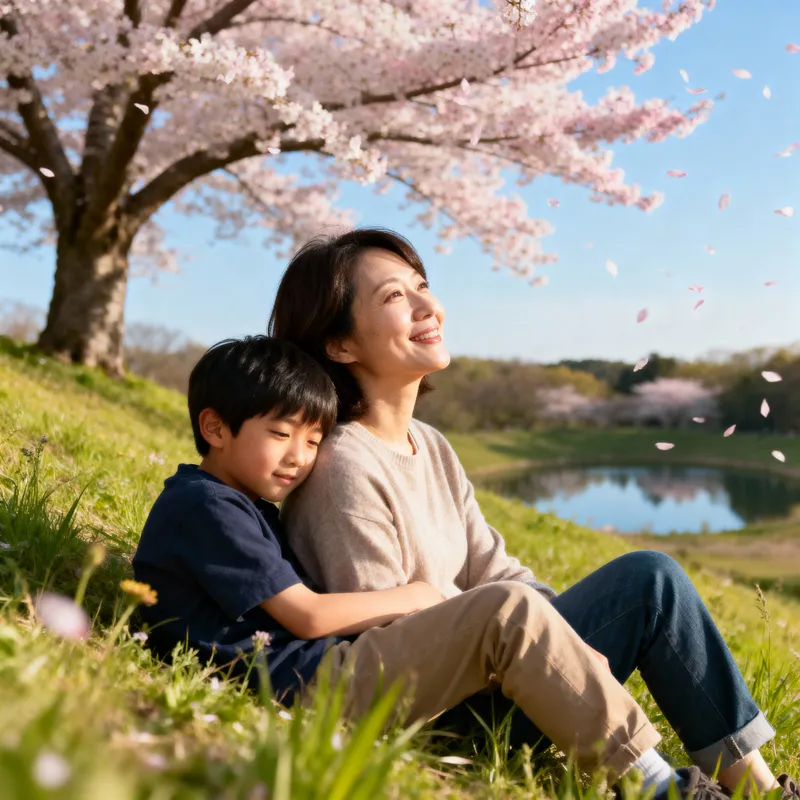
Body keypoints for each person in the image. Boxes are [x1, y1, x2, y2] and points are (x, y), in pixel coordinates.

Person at [270, 228, 798, 798]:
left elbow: (495, 568)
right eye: (395, 297)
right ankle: (668, 788)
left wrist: (563, 637)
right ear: (340, 345)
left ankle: (760, 790)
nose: (429, 306)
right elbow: (391, 636)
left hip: (506, 661)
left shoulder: (430, 444)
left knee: (652, 579)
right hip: (449, 711)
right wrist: (542, 640)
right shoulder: (343, 465)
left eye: (423, 285)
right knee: (641, 583)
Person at [132, 335, 731, 800]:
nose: (299, 457)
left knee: (574, 592)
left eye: (313, 440)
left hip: (322, 676)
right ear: (214, 427)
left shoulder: (235, 503)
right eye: (281, 434)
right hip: (312, 687)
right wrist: (417, 595)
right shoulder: (203, 504)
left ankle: (729, 777)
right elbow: (310, 615)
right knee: (506, 610)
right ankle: (656, 784)